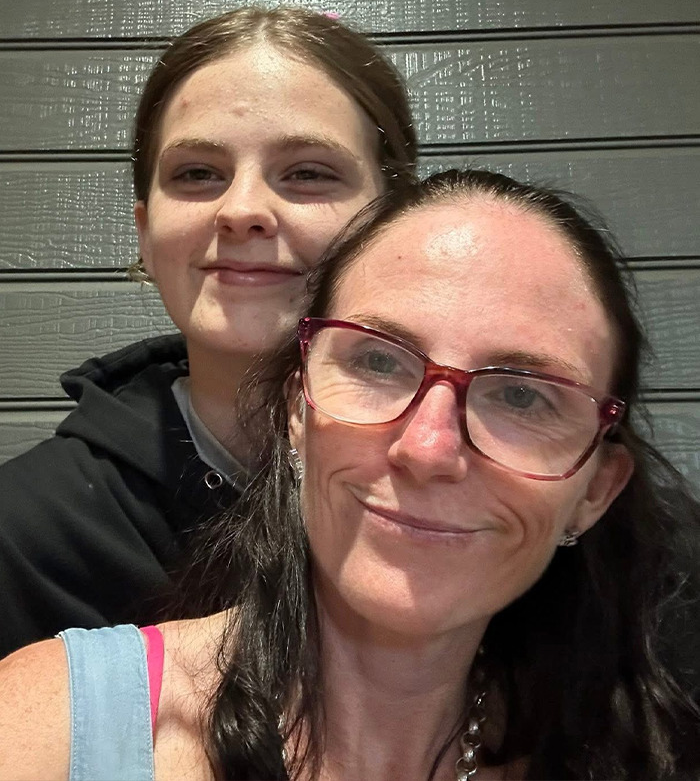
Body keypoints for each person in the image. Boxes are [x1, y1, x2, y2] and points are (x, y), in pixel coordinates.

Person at [1, 169, 698, 780]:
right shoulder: (47, 731)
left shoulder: (640, 752)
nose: (427, 450)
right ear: (296, 412)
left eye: (521, 395)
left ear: (596, 491)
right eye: (377, 362)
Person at [0, 5, 417, 658]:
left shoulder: (488, 488)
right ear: (145, 229)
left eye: (307, 172)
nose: (243, 210)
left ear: (396, 222)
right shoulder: (23, 535)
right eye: (198, 174)